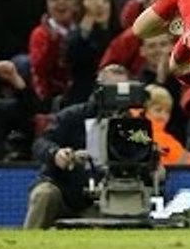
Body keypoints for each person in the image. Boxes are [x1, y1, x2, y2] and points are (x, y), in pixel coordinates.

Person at [24, 63, 131, 229]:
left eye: (122, 90)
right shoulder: (72, 115)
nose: (117, 96)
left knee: (115, 216)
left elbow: (142, 157)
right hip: (63, 190)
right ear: (99, 89)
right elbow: (40, 143)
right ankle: (26, 248)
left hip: (100, 200)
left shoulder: (131, 126)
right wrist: (56, 154)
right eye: (112, 89)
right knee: (44, 194)